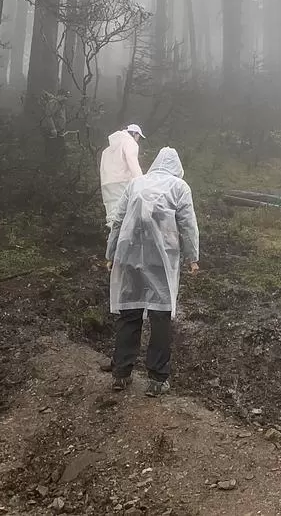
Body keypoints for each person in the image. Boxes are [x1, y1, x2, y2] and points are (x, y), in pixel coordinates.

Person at [105, 147, 200, 396]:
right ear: (177, 167)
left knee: (129, 313)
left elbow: (118, 220)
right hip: (161, 259)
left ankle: (121, 373)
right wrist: (193, 257)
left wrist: (111, 253)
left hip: (129, 256)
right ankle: (157, 379)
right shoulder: (179, 187)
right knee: (160, 316)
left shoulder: (136, 183)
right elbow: (187, 224)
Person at [99, 124, 145, 227]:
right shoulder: (129, 142)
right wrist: (141, 181)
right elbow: (132, 162)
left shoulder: (108, 149)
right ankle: (124, 235)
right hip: (122, 181)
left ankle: (111, 234)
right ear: (135, 133)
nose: (138, 140)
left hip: (107, 183)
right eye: (138, 136)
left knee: (112, 216)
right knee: (126, 215)